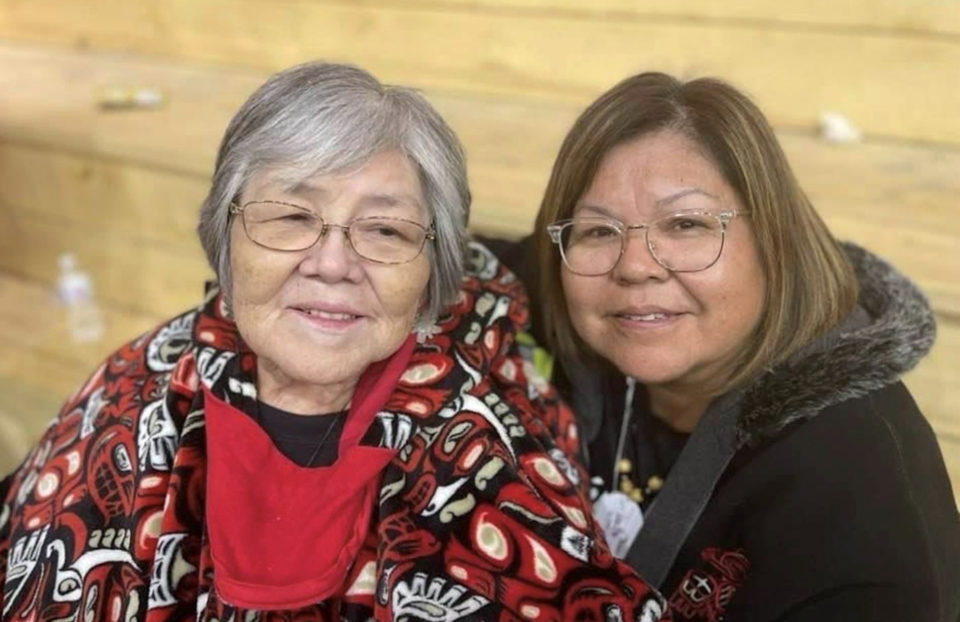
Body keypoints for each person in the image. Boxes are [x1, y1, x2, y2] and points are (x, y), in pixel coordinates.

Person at [0, 63, 667, 621]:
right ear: (225, 245)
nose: (332, 262)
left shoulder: (493, 449)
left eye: (385, 231)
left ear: (432, 273)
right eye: (292, 216)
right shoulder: (138, 384)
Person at [483, 72, 960, 621]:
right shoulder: (569, 300)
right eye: (599, 231)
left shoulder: (858, 485)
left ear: (773, 240)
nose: (635, 266)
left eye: (686, 224)